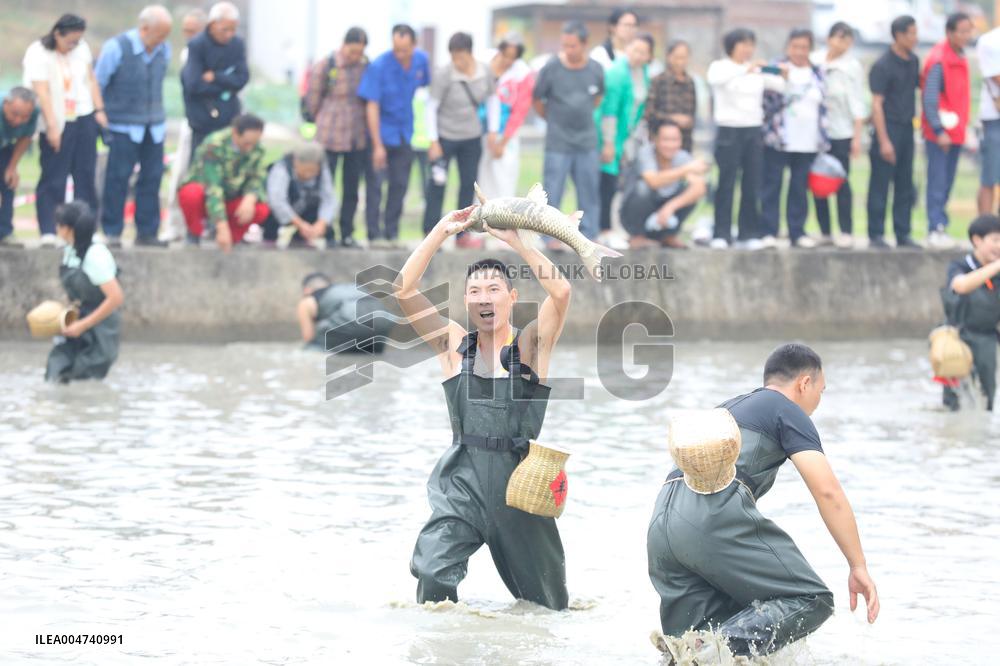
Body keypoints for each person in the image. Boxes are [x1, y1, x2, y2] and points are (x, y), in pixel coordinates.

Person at [647, 343, 880, 658]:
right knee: (810, 598)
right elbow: (828, 491)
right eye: (821, 392)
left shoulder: (729, 407)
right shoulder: (785, 409)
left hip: (662, 521)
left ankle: (699, 650)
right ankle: (709, 651)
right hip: (709, 516)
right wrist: (858, 565)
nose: (817, 402)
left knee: (697, 640)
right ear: (804, 383)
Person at [395, 203, 572, 610]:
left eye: (493, 289)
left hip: (520, 485)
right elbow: (404, 291)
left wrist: (518, 243)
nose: (484, 298)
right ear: (466, 301)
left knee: (547, 607)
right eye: (474, 291)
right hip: (463, 481)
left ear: (511, 297)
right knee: (432, 571)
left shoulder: (530, 346)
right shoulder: (454, 345)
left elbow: (561, 292)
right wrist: (441, 232)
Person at [23, 14, 107, 248]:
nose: (74, 45)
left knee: (85, 175)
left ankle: (85, 229)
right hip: (57, 119)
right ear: (57, 33)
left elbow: (91, 80)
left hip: (83, 115)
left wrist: (99, 109)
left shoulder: (82, 50)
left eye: (78, 41)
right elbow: (42, 92)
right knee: (54, 177)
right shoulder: (38, 52)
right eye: (70, 41)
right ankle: (50, 229)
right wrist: (52, 126)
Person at [94, 4, 173, 249]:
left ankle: (147, 231)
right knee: (118, 178)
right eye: (159, 34)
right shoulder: (117, 47)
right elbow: (98, 82)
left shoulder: (164, 50)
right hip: (122, 125)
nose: (162, 40)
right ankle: (112, 230)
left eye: (165, 35)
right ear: (144, 28)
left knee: (152, 177)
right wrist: (101, 113)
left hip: (154, 125)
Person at [706, 28, 786, 249]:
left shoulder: (757, 71)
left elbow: (780, 86)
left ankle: (748, 233)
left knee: (752, 183)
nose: (748, 49)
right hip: (728, 130)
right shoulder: (720, 66)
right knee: (726, 182)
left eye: (751, 44)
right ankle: (720, 232)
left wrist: (778, 72)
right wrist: (745, 70)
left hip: (753, 130)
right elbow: (715, 79)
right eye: (743, 44)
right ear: (732, 45)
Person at [358, 24, 430, 248]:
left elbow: (425, 84)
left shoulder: (421, 61)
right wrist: (377, 144)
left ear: (414, 46)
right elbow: (371, 106)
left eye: (405, 49)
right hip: (381, 134)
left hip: (404, 133)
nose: (400, 54)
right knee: (376, 185)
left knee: (400, 185)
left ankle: (391, 232)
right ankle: (374, 234)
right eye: (396, 48)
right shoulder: (379, 66)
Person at [533, 21, 605, 246]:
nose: (568, 50)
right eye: (564, 45)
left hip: (586, 140)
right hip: (558, 141)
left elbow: (597, 97)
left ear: (585, 44)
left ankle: (589, 234)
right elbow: (537, 100)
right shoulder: (551, 68)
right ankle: (550, 236)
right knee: (552, 190)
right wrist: (553, 120)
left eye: (573, 46)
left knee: (589, 190)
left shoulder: (595, 69)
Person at [422, 32, 496, 247]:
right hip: (445, 136)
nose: (458, 62)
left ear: (470, 53)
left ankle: (462, 234)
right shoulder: (444, 74)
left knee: (468, 184)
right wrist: (433, 140)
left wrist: (492, 130)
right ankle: (430, 232)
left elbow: (492, 100)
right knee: (437, 184)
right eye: (454, 57)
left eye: (461, 57)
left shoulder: (485, 72)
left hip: (471, 136)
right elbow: (431, 107)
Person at [761, 29, 826, 250]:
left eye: (804, 47)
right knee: (772, 184)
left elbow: (823, 105)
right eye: (795, 47)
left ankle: (796, 231)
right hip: (779, 139)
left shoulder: (817, 73)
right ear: (788, 47)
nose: (799, 52)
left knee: (799, 187)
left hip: (807, 140)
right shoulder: (775, 68)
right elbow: (767, 104)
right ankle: (769, 230)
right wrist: (783, 81)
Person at [45, 201, 124, 383]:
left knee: (87, 373)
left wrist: (83, 325)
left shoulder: (95, 256)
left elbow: (116, 297)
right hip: (79, 318)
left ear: (68, 229)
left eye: (59, 225)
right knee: (58, 368)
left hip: (101, 328)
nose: (56, 228)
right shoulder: (70, 249)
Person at [304, 26, 368, 249]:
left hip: (356, 137)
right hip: (329, 135)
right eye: (352, 51)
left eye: (359, 52)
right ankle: (327, 230)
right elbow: (312, 100)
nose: (355, 56)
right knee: (326, 186)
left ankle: (347, 232)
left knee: (351, 188)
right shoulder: (326, 65)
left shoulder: (365, 67)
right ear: (343, 45)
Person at [178, 113, 270, 252]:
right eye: (246, 143)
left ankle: (232, 238)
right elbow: (212, 187)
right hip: (207, 198)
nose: (250, 148)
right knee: (191, 193)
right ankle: (195, 233)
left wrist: (249, 199)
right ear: (235, 132)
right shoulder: (214, 144)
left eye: (254, 143)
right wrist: (221, 226)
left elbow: (257, 178)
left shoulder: (257, 149)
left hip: (231, 198)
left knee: (260, 209)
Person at [867, 15, 920, 250]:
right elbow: (876, 104)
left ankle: (903, 232)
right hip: (887, 128)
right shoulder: (882, 65)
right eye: (911, 33)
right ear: (898, 35)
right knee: (880, 183)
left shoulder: (914, 61)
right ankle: (876, 233)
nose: (915, 38)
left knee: (905, 182)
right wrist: (884, 140)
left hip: (907, 127)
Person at [811, 22, 866, 249]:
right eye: (839, 38)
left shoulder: (851, 67)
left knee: (841, 180)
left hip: (841, 132)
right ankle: (824, 230)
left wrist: (856, 137)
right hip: (815, 133)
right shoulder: (815, 61)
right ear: (829, 38)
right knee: (817, 180)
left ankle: (845, 230)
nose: (842, 44)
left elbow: (857, 103)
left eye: (847, 39)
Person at [922, 12, 974, 250]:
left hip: (956, 132)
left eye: (968, 31)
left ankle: (941, 224)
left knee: (947, 181)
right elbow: (930, 98)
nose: (965, 36)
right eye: (961, 31)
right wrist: (938, 129)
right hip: (940, 134)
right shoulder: (939, 60)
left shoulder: (960, 57)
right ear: (949, 32)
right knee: (937, 180)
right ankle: (934, 228)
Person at [597, 33, 653, 251]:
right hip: (611, 135)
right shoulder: (617, 73)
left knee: (624, 183)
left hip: (630, 136)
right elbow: (609, 111)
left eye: (644, 52)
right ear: (627, 49)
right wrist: (609, 142)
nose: (639, 56)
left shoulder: (643, 72)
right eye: (635, 50)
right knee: (608, 181)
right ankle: (605, 228)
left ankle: (621, 227)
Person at [941, 214, 1000, 411]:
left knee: (987, 398)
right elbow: (961, 286)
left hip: (988, 340)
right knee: (955, 403)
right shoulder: (960, 266)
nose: (999, 246)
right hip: (957, 339)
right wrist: (995, 266)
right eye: (995, 240)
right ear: (976, 240)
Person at [619, 121, 707, 249]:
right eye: (666, 139)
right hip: (635, 215)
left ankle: (669, 235)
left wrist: (670, 207)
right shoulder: (645, 153)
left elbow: (699, 188)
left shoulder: (683, 157)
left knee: (691, 193)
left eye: (675, 140)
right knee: (642, 188)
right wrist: (684, 170)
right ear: (654, 140)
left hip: (666, 215)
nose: (670, 145)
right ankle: (638, 236)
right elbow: (653, 181)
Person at [181, 2, 249, 159]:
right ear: (212, 25)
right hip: (202, 119)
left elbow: (242, 79)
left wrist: (217, 77)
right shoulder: (197, 45)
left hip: (229, 117)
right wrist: (227, 86)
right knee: (201, 165)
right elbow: (194, 85)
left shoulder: (237, 45)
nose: (229, 34)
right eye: (225, 29)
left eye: (233, 29)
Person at [164, 8, 208, 242]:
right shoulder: (187, 54)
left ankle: (204, 225)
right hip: (191, 122)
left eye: (194, 31)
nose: (189, 35)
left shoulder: (216, 52)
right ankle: (175, 225)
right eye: (186, 31)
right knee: (181, 173)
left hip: (214, 123)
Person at [477, 33, 535, 200]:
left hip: (505, 135)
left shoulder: (522, 74)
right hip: (479, 131)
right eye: (505, 54)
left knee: (503, 179)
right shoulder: (483, 63)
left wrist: (502, 143)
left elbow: (520, 111)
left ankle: (502, 222)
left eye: (512, 57)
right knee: (481, 180)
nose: (507, 60)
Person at [263, 142, 336, 249]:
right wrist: (300, 224)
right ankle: (269, 239)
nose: (308, 175)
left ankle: (300, 239)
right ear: (296, 161)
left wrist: (321, 223)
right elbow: (277, 201)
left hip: (304, 207)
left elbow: (329, 198)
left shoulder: (323, 169)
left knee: (323, 217)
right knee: (270, 213)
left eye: (313, 171)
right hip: (281, 211)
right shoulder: (281, 169)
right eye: (305, 170)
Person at [296, 272, 395, 351]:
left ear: (306, 289)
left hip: (351, 320)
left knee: (312, 347)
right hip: (383, 321)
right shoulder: (349, 288)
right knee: (368, 353)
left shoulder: (307, 300)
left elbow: (308, 337)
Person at [0, 87, 39, 248]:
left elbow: (26, 137)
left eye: (24, 116)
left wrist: (12, 167)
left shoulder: (33, 112)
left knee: (9, 182)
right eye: (14, 114)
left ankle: (5, 232)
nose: (18, 121)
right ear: (6, 104)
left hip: (6, 146)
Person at [645, 40, 697, 153]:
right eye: (677, 57)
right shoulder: (658, 81)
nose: (681, 62)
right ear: (668, 57)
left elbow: (692, 113)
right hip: (661, 143)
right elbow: (649, 112)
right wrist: (674, 119)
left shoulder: (690, 82)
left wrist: (688, 121)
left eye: (684, 57)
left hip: (685, 141)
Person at [976, 25, 1000, 216]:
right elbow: (995, 76)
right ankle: (985, 231)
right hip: (995, 120)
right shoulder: (991, 40)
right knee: (990, 177)